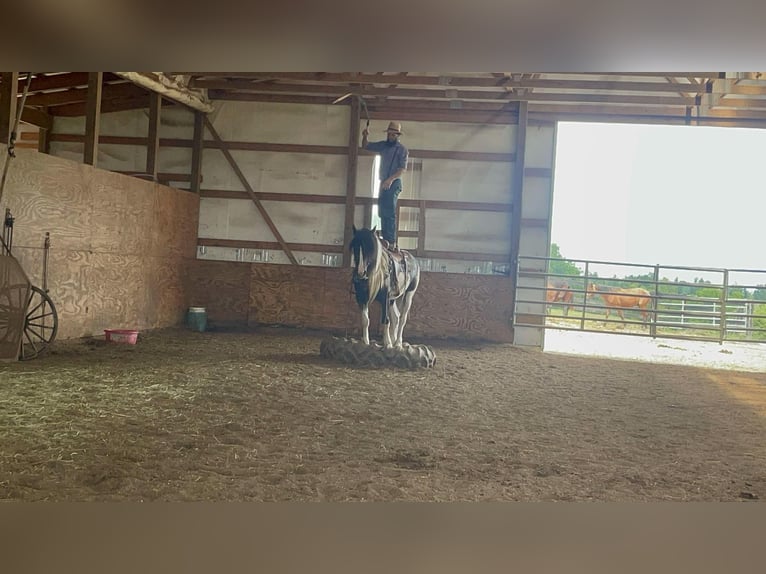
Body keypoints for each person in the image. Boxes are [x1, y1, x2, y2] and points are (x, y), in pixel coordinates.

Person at [362, 121, 409, 250]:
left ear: (397, 135)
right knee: (382, 210)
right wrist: (365, 136)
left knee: (389, 210)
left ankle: (391, 241)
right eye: (389, 134)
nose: (390, 136)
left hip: (394, 182)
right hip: (384, 182)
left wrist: (390, 180)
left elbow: (402, 169)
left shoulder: (402, 150)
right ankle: (385, 238)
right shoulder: (383, 146)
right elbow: (366, 146)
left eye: (393, 135)